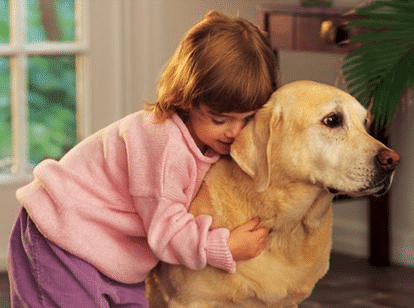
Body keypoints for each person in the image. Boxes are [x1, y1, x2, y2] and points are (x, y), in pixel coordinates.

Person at [8, 11, 278, 308]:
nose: (235, 132)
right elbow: (168, 231)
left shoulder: (209, 141)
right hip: (62, 235)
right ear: (186, 98)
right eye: (220, 119)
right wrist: (223, 246)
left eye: (247, 119)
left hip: (113, 253)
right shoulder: (165, 146)